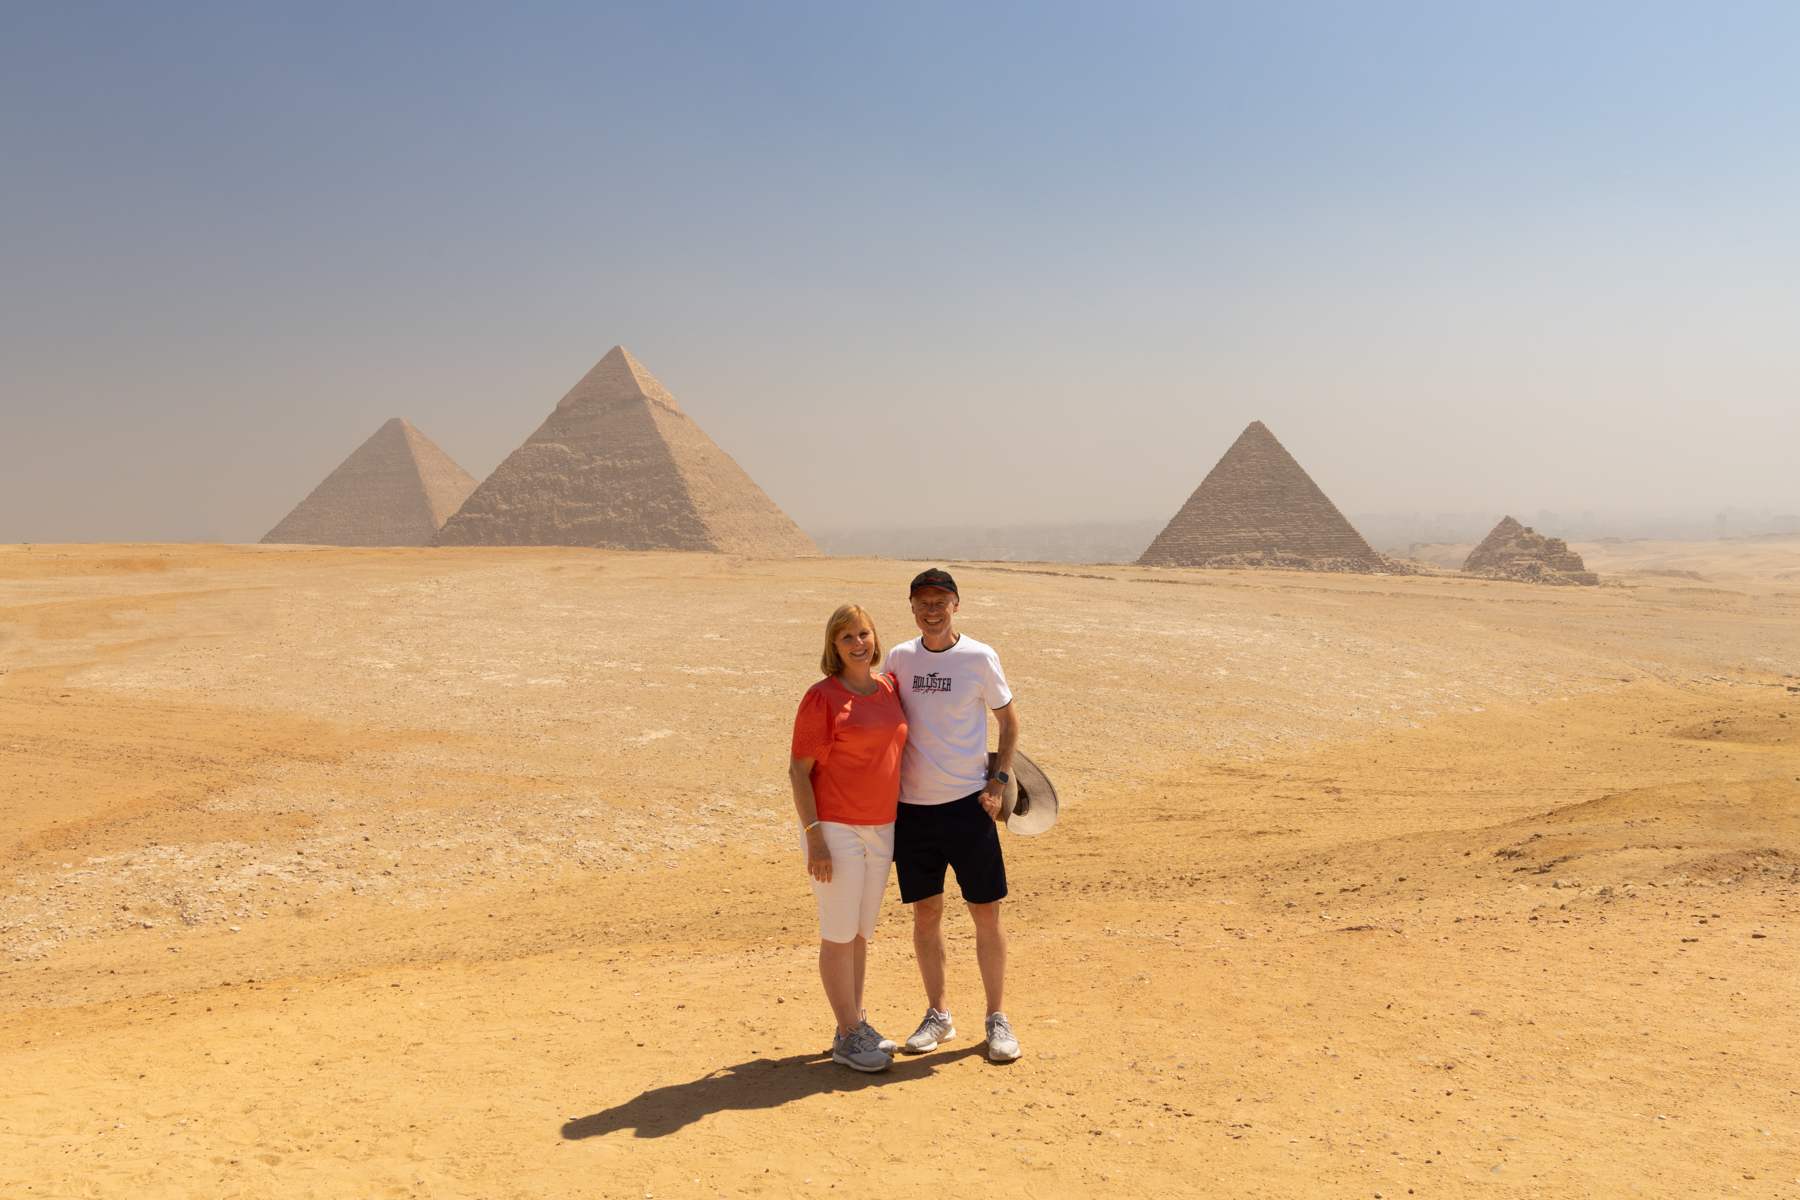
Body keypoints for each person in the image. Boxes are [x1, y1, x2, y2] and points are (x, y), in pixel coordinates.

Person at [883, 568, 1023, 1063]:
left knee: (985, 913)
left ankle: (996, 1018)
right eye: (923, 601)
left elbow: (1009, 721)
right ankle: (939, 1015)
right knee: (927, 914)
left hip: (967, 807)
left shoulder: (980, 657)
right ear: (912, 606)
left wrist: (998, 782)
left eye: (941, 600)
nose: (932, 609)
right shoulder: (898, 657)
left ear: (956, 605)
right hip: (913, 811)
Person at [788, 603, 908, 1073]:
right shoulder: (822, 698)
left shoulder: (889, 689)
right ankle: (847, 1035)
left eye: (864, 634)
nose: (859, 644)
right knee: (838, 935)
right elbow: (799, 771)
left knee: (860, 933)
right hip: (835, 829)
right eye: (847, 638)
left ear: (876, 638)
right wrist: (814, 837)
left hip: (882, 827)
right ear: (832, 647)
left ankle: (855, 1024)